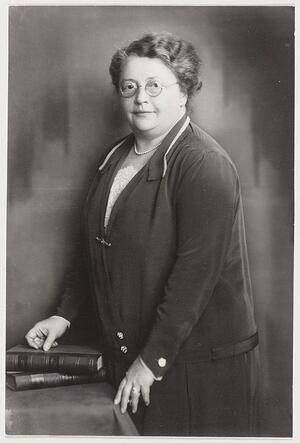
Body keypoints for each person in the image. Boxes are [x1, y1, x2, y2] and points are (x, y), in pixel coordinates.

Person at [25, 32, 259, 436]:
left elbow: (194, 278)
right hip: (135, 361)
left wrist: (151, 361)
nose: (140, 99)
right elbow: (94, 249)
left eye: (155, 86)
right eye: (129, 87)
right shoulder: (114, 157)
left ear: (184, 91)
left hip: (197, 370)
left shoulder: (204, 164)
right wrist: (64, 314)